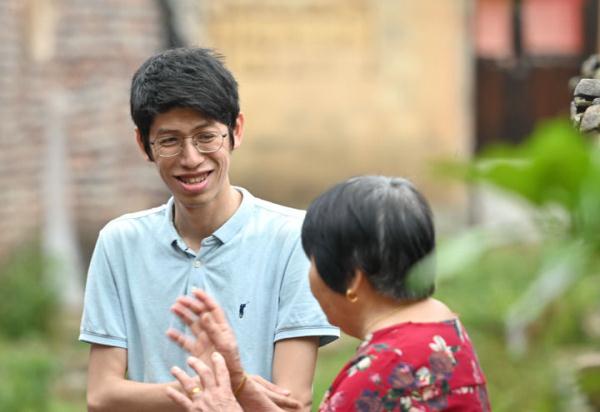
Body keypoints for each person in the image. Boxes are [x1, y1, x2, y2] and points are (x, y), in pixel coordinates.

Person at [78, 47, 339, 412]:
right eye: (169, 141)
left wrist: (221, 387)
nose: (191, 158)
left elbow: (292, 401)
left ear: (236, 131)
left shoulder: (294, 237)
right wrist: (212, 390)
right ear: (143, 144)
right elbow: (101, 395)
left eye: (206, 137)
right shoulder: (119, 242)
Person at [166, 176, 491, 411]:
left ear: (353, 279)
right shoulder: (442, 330)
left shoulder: (382, 370)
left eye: (313, 259)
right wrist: (239, 382)